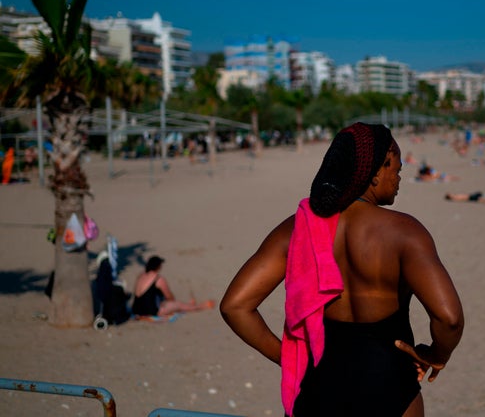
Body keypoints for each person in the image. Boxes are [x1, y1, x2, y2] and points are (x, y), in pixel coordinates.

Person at [220, 122, 464, 417]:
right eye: (396, 169)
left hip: (317, 392)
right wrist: (436, 354)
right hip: (390, 390)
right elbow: (449, 318)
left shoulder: (298, 228)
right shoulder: (405, 232)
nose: (399, 178)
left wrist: (288, 359)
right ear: (377, 170)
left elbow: (235, 306)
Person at [131, 255, 215, 317]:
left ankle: (190, 305)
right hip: (150, 311)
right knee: (178, 305)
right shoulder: (158, 279)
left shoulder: (141, 275)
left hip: (136, 309)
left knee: (161, 298)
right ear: (158, 267)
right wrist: (171, 304)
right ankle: (200, 306)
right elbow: (169, 297)